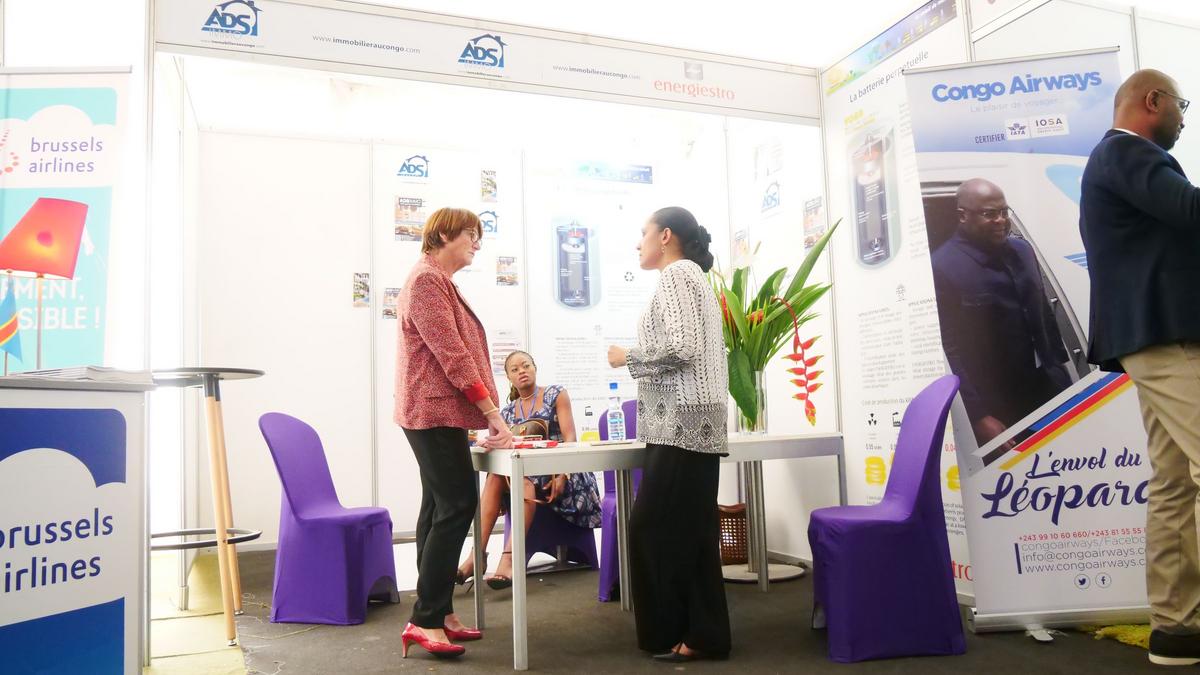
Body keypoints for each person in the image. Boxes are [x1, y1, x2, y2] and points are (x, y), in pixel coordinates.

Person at [1080, 68, 1200, 667]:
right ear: (1153, 101)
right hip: (1167, 337)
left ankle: (1176, 630)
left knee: (1175, 483)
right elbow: (1191, 210)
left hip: (1151, 338)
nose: (1183, 119)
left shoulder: (1114, 162)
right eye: (1181, 106)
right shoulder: (1127, 152)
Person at [607, 206, 730, 662]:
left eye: (644, 232)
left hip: (682, 426)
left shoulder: (678, 275)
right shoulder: (692, 276)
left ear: (666, 236)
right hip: (689, 423)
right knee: (691, 533)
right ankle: (702, 635)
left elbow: (682, 347)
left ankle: (676, 632)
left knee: (653, 529)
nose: (637, 242)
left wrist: (628, 357)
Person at [394, 207, 513, 659]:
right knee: (458, 505)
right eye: (470, 234)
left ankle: (438, 611)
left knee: (438, 507)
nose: (477, 243)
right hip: (433, 411)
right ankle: (425, 618)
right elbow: (453, 355)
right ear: (443, 235)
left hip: (435, 411)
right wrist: (492, 413)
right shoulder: (427, 281)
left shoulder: (436, 279)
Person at [930, 178, 1072, 446]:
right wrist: (978, 416)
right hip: (999, 404)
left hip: (1050, 385)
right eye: (989, 214)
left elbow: (1042, 310)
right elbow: (948, 348)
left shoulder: (1023, 250)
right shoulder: (942, 267)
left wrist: (1060, 370)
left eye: (1004, 212)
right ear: (963, 215)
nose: (1001, 220)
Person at [455, 350, 601, 589]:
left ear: (535, 368)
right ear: (509, 378)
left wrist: (563, 473)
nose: (521, 371)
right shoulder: (506, 412)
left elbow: (570, 440)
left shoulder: (555, 394)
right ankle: (476, 555)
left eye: (526, 365)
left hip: (563, 473)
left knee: (522, 481)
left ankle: (508, 559)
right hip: (523, 476)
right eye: (515, 369)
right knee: (496, 477)